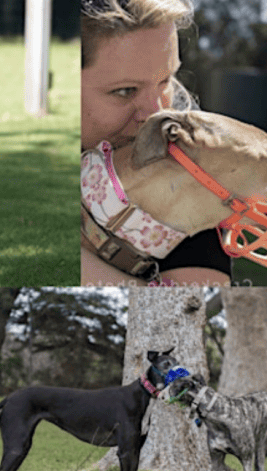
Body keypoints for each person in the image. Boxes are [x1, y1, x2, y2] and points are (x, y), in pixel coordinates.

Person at [81, 0, 231, 286]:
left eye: (165, 80)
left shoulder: (182, 185)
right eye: (125, 91)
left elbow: (187, 301)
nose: (157, 113)